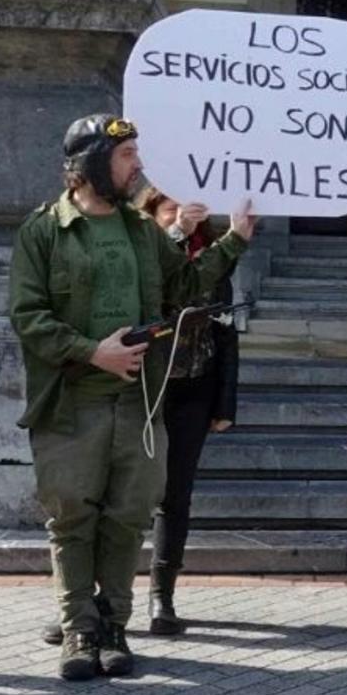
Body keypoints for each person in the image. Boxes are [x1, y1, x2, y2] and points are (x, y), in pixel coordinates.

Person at [8, 115, 255, 682]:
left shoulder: (143, 233)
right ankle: (79, 630)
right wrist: (94, 352)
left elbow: (187, 289)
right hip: (70, 406)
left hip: (140, 407)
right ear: (91, 161)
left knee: (126, 519)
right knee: (72, 520)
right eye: (125, 157)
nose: (137, 165)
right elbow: (28, 317)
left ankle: (115, 626)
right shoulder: (43, 231)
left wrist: (235, 238)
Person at [137, 186, 241, 638]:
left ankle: (163, 593)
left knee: (174, 495)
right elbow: (153, 282)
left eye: (189, 208)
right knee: (121, 495)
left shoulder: (216, 261)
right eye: (170, 209)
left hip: (194, 389)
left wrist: (225, 403)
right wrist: (176, 232)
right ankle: (98, 596)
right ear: (152, 214)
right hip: (141, 389)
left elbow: (227, 333)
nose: (183, 215)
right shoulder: (141, 253)